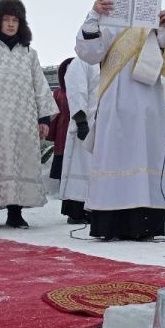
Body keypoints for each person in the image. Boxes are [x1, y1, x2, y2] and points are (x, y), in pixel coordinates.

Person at [74, 0, 165, 240]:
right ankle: (110, 225)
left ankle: (144, 225)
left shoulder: (150, 22)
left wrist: (162, 30)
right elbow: (89, 53)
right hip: (116, 99)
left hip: (148, 104)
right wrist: (94, 14)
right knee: (114, 155)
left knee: (146, 155)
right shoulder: (105, 21)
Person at [0, 0, 58, 229]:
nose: (10, 24)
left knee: (19, 162)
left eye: (15, 20)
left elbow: (40, 86)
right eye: (6, 19)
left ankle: (16, 212)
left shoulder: (29, 53)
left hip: (22, 119)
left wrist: (43, 118)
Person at [60, 57, 101, 224]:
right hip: (86, 123)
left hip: (104, 123)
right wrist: (81, 120)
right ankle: (77, 211)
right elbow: (77, 91)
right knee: (82, 167)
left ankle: (94, 208)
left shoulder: (109, 60)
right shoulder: (82, 62)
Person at [47, 58, 73, 196]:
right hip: (62, 133)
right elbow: (54, 115)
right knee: (62, 162)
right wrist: (50, 133)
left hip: (78, 131)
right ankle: (62, 191)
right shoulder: (58, 93)